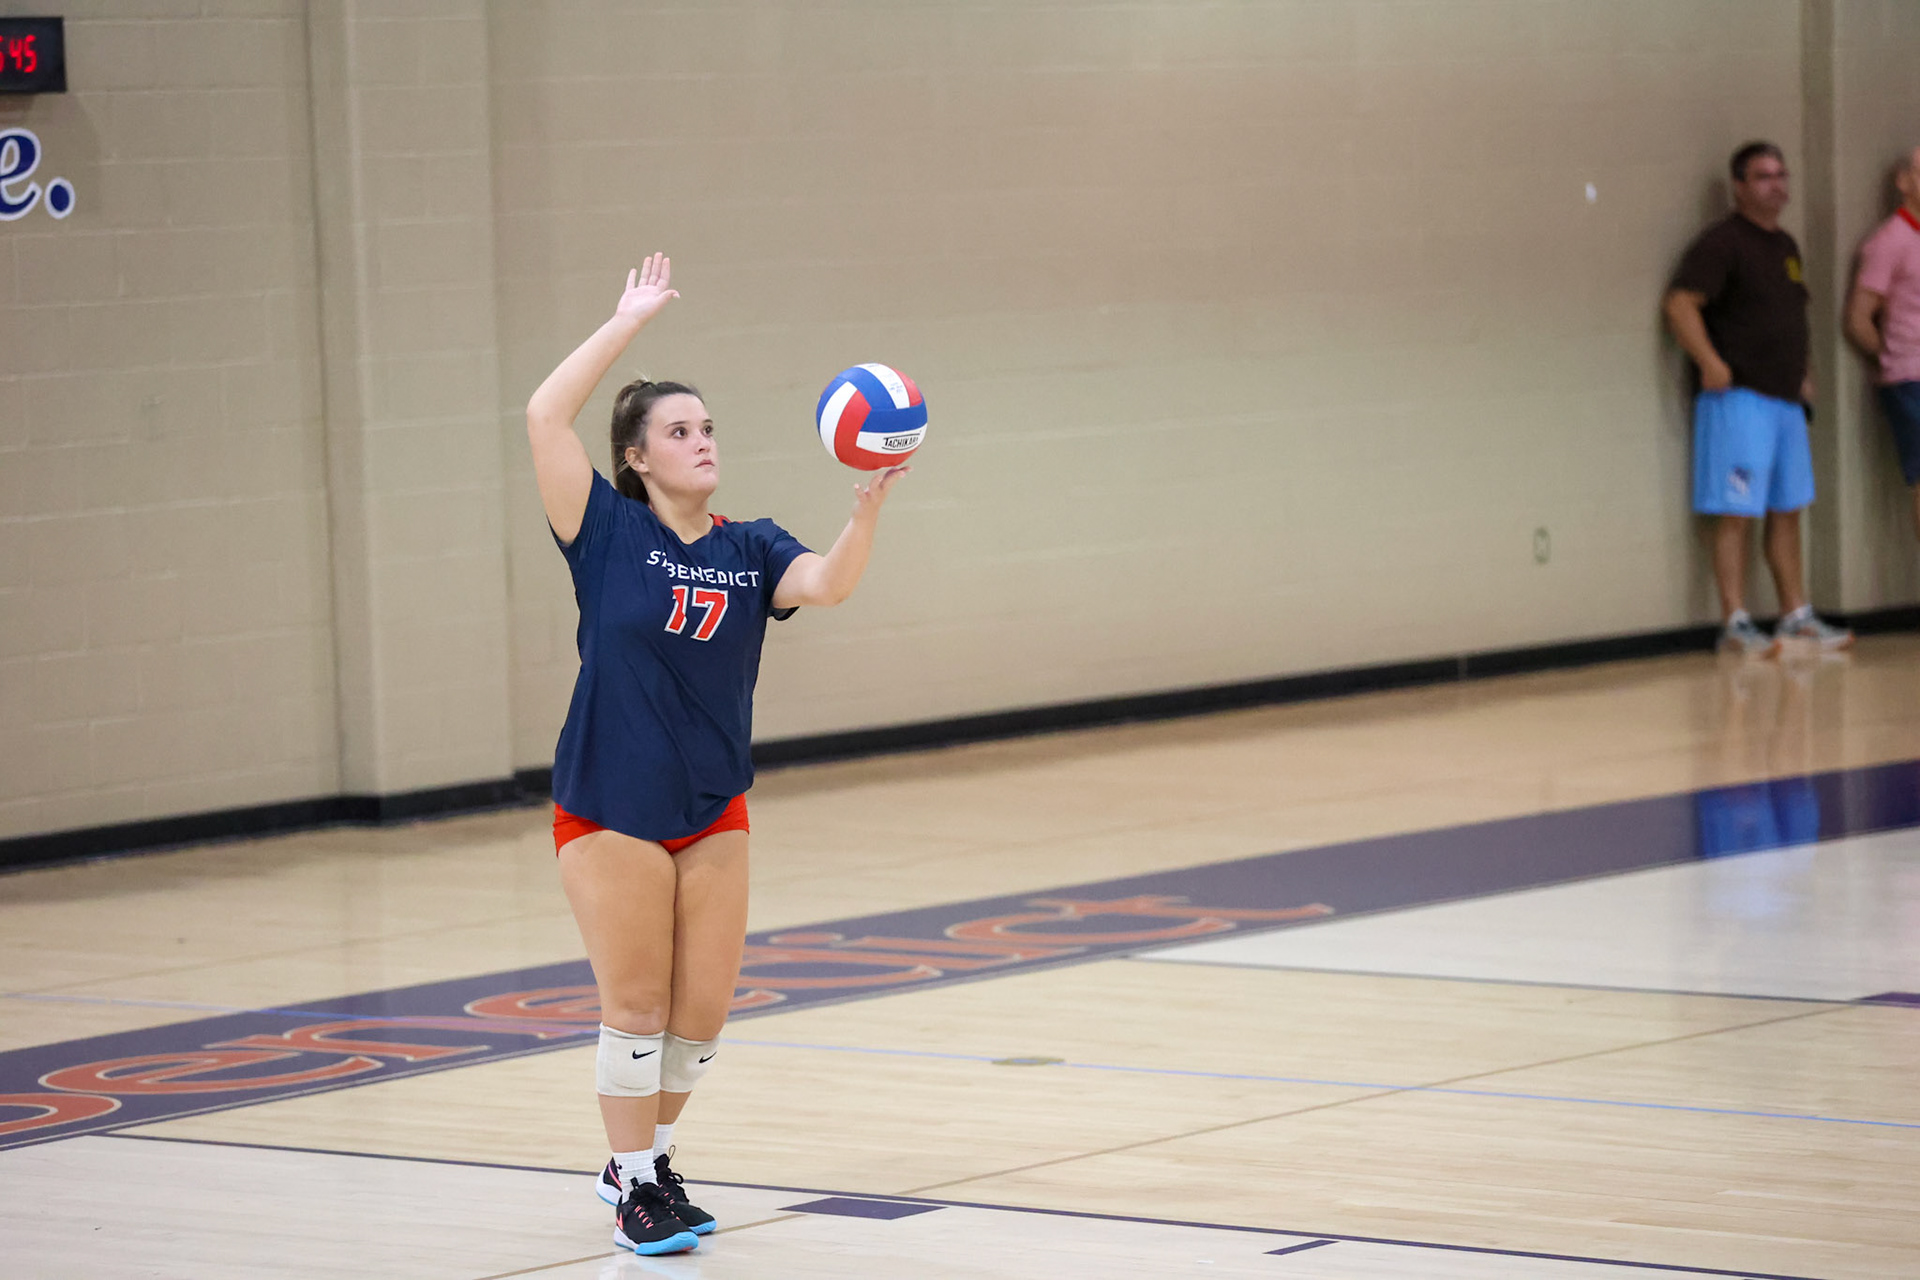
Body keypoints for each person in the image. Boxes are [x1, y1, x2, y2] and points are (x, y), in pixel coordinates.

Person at [525, 253, 910, 1257]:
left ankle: (639, 1161)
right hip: (610, 801)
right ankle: (638, 1183)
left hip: (711, 803)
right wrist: (626, 323)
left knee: (697, 1022)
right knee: (638, 1004)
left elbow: (825, 584)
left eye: (708, 428)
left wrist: (866, 508)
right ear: (638, 457)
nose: (702, 442)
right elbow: (540, 417)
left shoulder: (750, 547)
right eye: (679, 431)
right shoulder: (601, 530)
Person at [1663, 141, 1854, 656]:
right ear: (1740, 186)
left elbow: (1791, 314)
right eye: (1765, 176)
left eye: (1782, 175)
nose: (1778, 185)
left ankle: (1795, 614)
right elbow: (1680, 304)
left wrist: (1805, 371)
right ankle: (1736, 621)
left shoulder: (1786, 247)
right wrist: (1710, 361)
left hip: (1785, 402)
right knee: (1737, 510)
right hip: (1739, 401)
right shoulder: (1721, 243)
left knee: (1789, 508)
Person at [1844, 143, 1920, 544]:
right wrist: (1887, 358)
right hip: (1911, 375)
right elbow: (1859, 317)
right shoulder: (1890, 241)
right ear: (1905, 182)